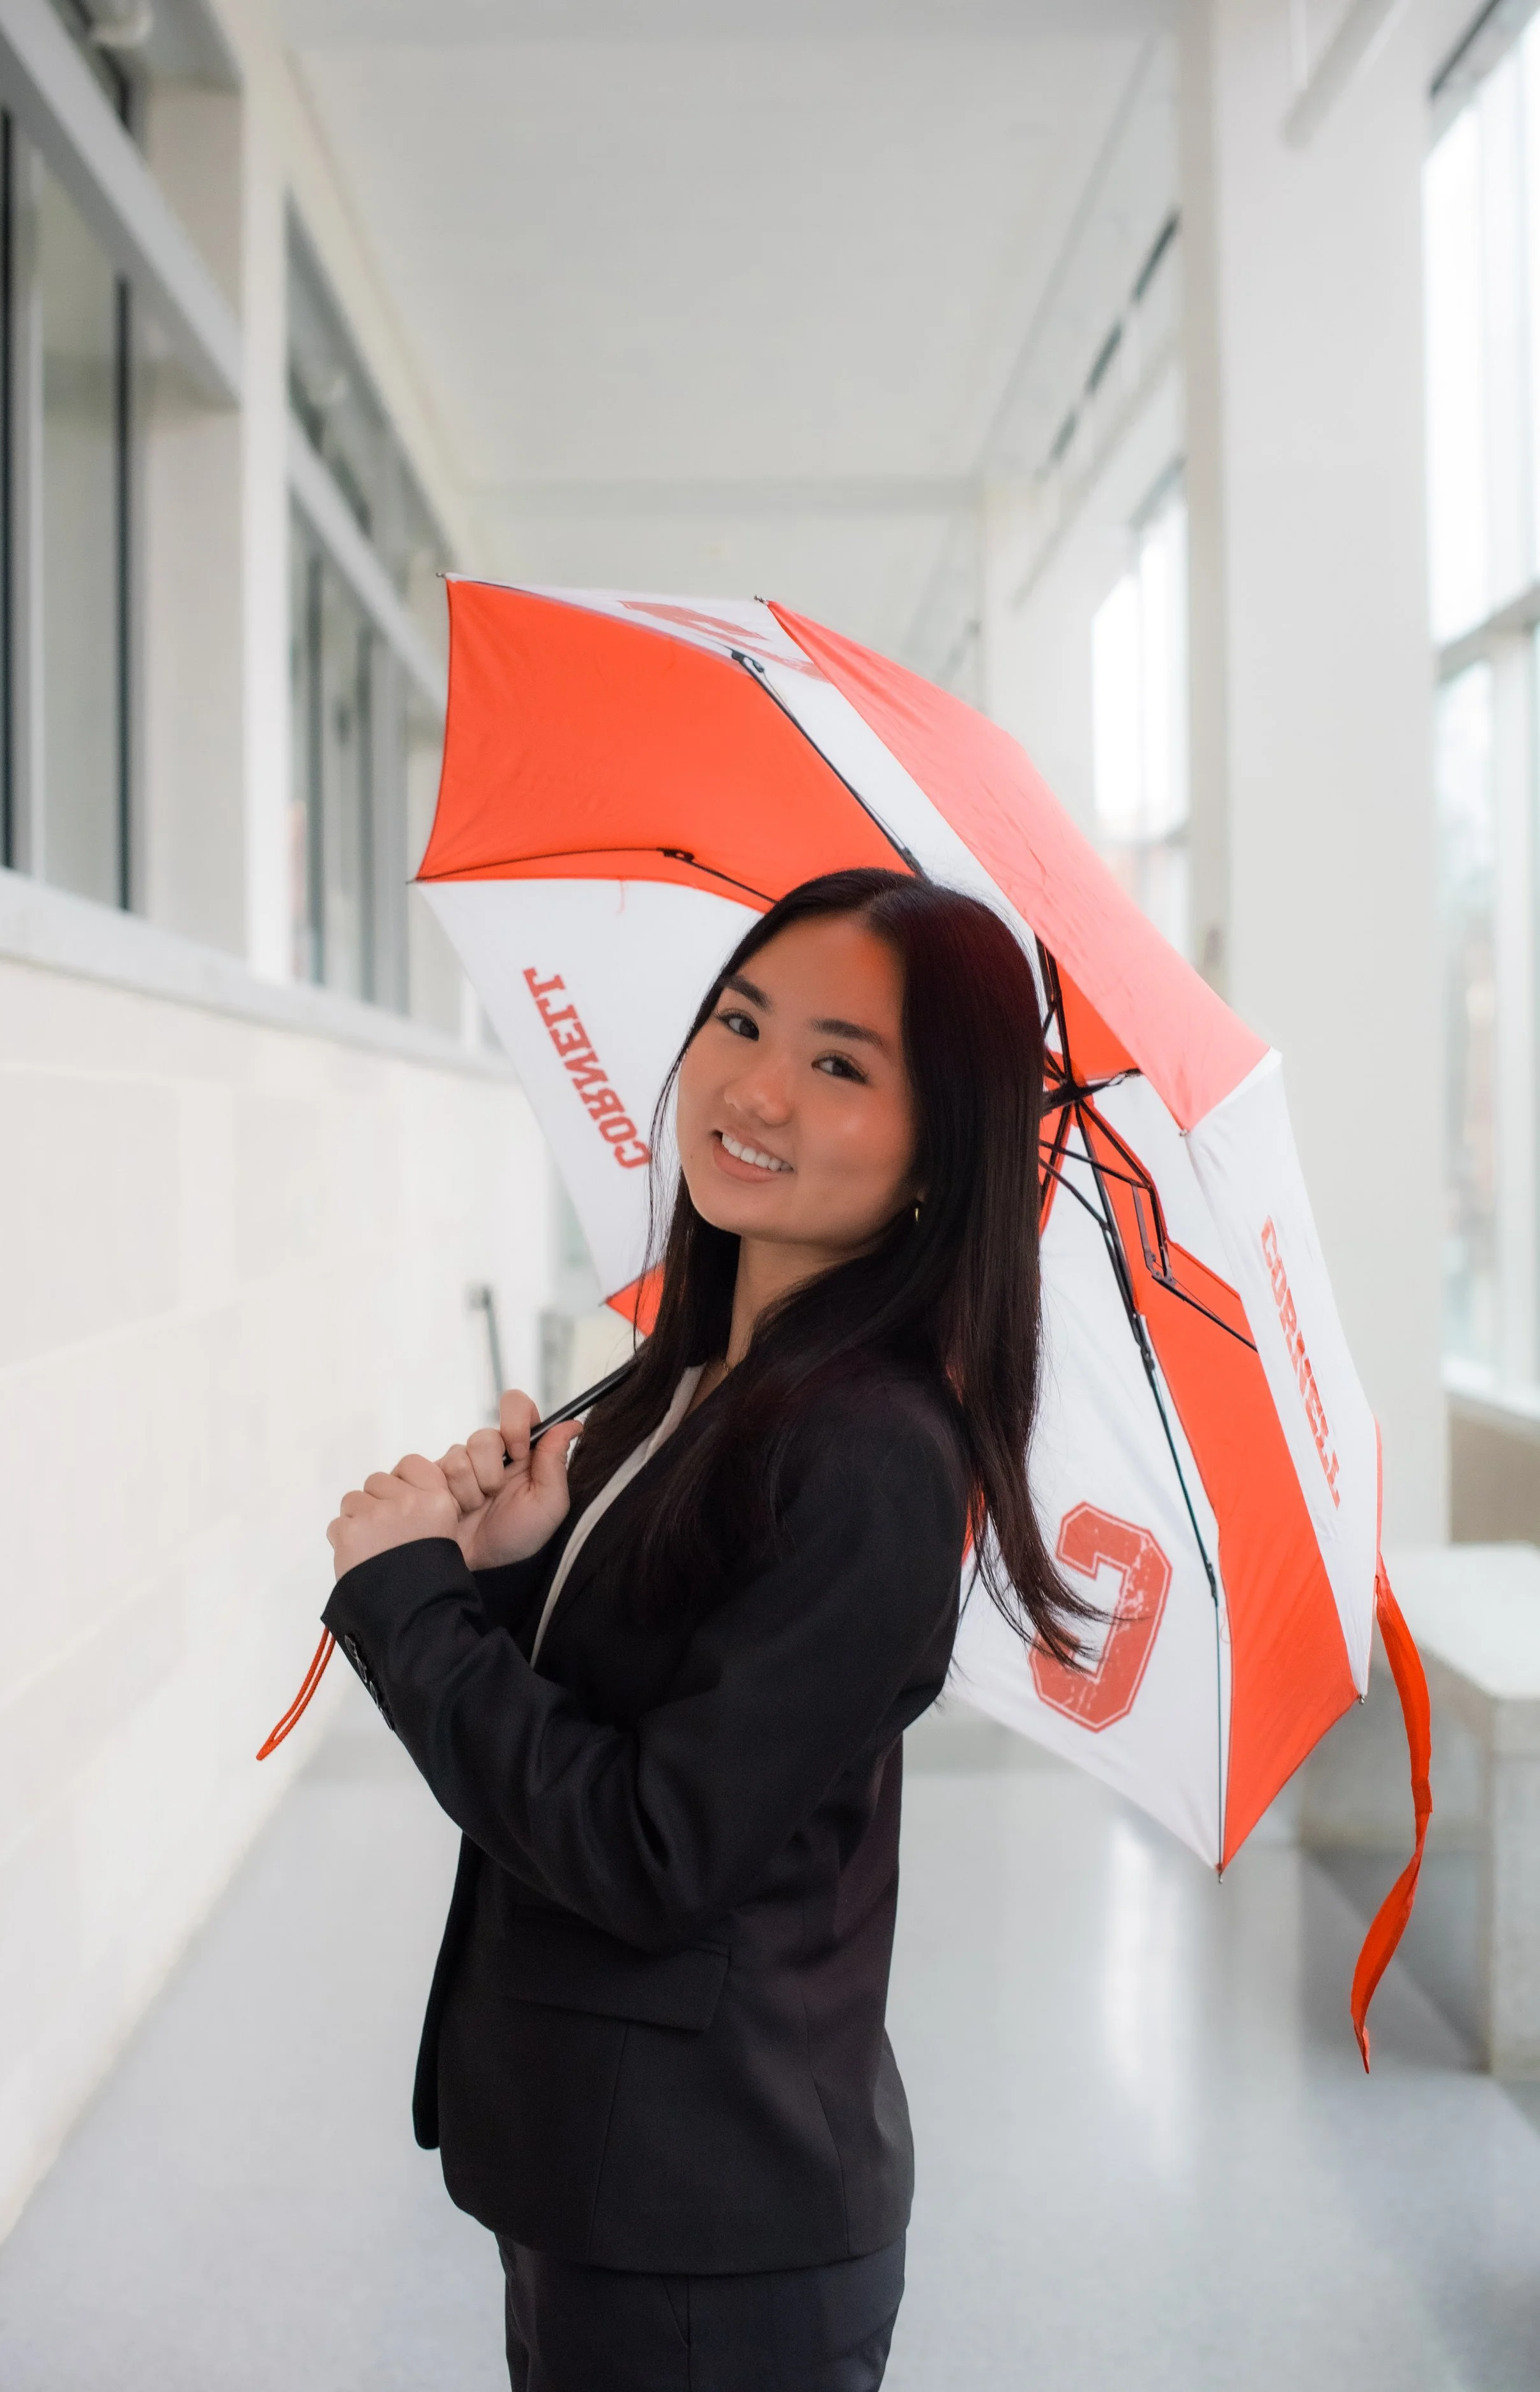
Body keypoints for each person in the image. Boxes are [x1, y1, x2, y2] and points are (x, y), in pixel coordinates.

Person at [323, 867, 1089, 2392]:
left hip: (707, 2233)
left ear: (939, 1152)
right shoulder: (687, 1385)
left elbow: (654, 1850)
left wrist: (411, 1608)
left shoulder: (869, 1451)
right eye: (740, 1022)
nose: (754, 1089)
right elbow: (626, 1714)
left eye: (838, 1065)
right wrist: (502, 1574)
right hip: (606, 2183)